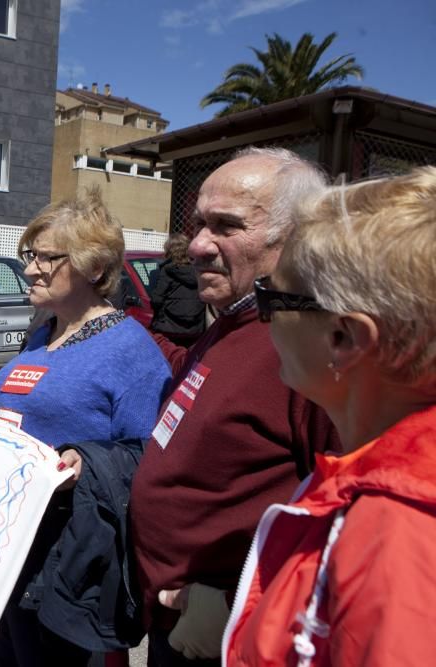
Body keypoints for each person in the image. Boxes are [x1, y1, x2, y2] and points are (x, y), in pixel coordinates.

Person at [0, 190, 172, 666]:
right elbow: (20, 416)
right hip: (10, 540)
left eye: (45, 257)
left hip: (72, 558)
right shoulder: (45, 331)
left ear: (94, 268)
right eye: (28, 254)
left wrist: (89, 459)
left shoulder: (132, 352)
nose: (30, 268)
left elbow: (150, 456)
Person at [129, 147, 341, 666]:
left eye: (227, 225)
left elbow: (355, 525)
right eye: (200, 223)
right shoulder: (232, 321)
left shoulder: (308, 346)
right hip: (178, 625)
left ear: (296, 235)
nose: (199, 244)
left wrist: (239, 605)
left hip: (233, 636)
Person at [223, 167, 436, 666]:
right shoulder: (372, 486)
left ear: (343, 338)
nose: (264, 318)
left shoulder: (398, 536)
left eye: (272, 298)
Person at [149, 233, 205, 347]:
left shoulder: (167, 270)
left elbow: (157, 299)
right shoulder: (199, 270)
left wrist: (159, 318)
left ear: (169, 250)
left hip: (169, 328)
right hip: (195, 329)